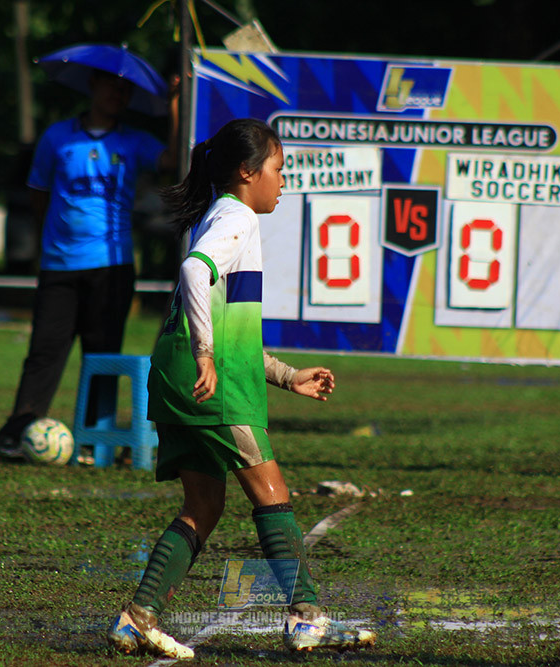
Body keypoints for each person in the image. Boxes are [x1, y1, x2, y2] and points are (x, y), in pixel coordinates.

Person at [105, 118, 376, 659]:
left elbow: (230, 327)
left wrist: (286, 376)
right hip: (213, 384)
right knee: (271, 493)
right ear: (248, 172)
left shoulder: (217, 215)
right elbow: (194, 271)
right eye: (278, 168)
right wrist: (206, 354)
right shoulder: (237, 218)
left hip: (175, 378)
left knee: (203, 505)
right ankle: (307, 619)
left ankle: (136, 619)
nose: (283, 180)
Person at [0, 67, 179, 460]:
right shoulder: (57, 136)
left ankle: (94, 441)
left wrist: (173, 104)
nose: (118, 93)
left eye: (126, 89)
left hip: (112, 265)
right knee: (43, 352)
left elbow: (170, 159)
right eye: (111, 84)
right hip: (59, 264)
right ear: (92, 85)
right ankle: (16, 433)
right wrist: (52, 238)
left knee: (102, 355)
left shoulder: (133, 140)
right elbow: (38, 191)